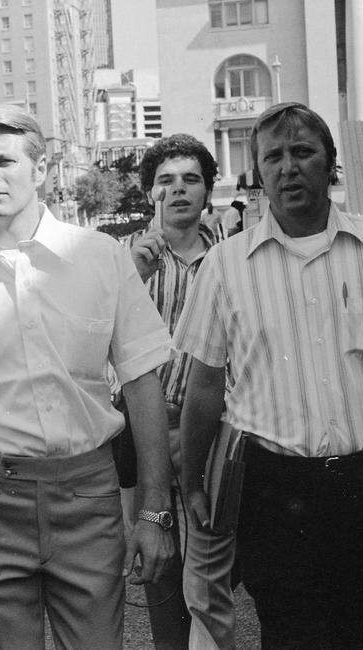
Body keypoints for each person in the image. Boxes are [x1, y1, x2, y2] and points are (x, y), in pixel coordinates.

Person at [174, 102, 363, 649]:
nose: (289, 167)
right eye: (274, 157)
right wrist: (191, 482)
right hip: (271, 487)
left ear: (330, 165)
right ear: (257, 173)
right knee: (289, 631)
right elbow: (205, 387)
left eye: (303, 152)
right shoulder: (224, 266)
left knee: (357, 629)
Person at [0, 103, 176, 649]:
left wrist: (154, 509)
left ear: (41, 170)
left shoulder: (102, 260)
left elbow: (142, 385)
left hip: (87, 495)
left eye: (4, 161)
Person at [121, 134, 234, 650]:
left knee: (210, 565)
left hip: (209, 426)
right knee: (158, 561)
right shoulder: (124, 259)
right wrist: (133, 277)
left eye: (191, 179)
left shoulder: (231, 260)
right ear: (150, 193)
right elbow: (93, 345)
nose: (179, 189)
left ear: (208, 190)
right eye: (166, 181)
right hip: (140, 428)